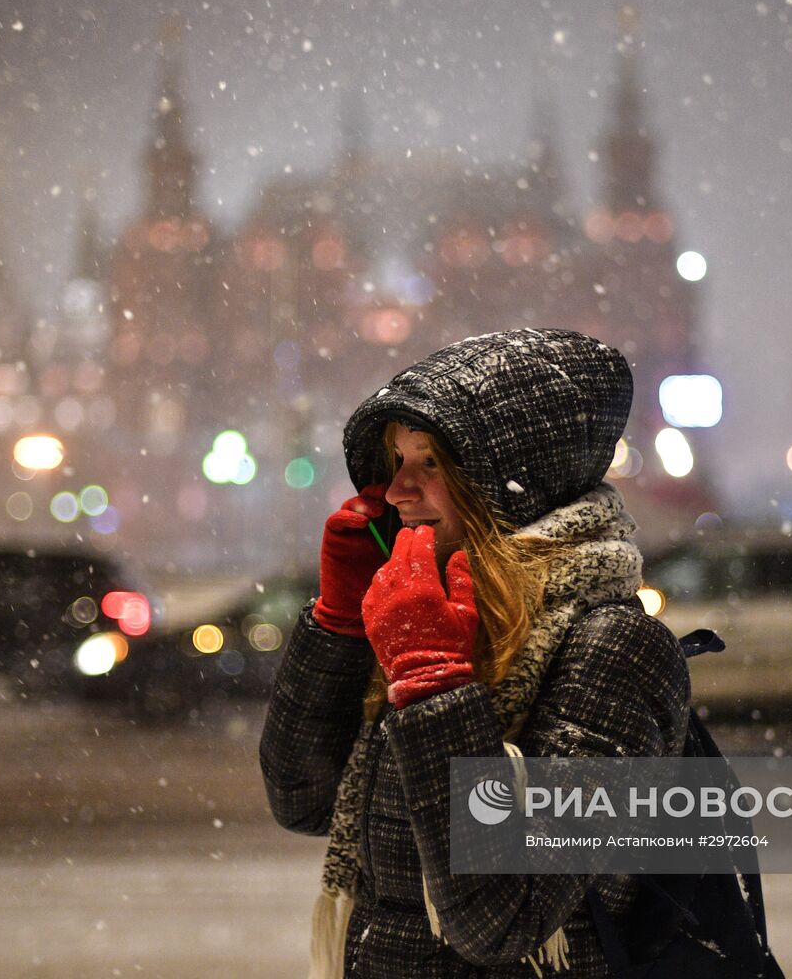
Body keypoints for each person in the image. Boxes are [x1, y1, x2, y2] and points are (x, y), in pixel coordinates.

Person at [260, 329, 691, 978]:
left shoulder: (616, 649)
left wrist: (434, 686)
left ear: (510, 482)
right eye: (396, 462)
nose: (398, 491)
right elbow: (302, 799)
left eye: (430, 463)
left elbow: (503, 916)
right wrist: (338, 624)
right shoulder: (427, 609)